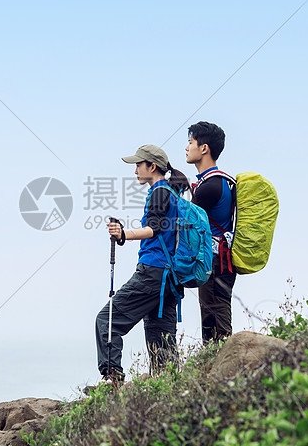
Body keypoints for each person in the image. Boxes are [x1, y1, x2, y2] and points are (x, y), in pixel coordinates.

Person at [94, 144, 190, 384]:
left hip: (153, 273)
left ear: (152, 166)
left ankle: (112, 381)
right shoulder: (171, 193)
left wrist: (124, 234)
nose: (135, 169)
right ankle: (168, 389)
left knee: (107, 320)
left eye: (139, 164)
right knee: (161, 341)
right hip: (170, 279)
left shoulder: (159, 192)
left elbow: (154, 229)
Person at [185, 121, 237, 344]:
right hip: (219, 260)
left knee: (215, 315)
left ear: (204, 148)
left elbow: (185, 221)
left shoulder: (210, 186)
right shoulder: (220, 182)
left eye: (190, 142)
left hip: (215, 261)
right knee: (213, 312)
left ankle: (225, 364)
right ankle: (218, 361)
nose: (187, 148)